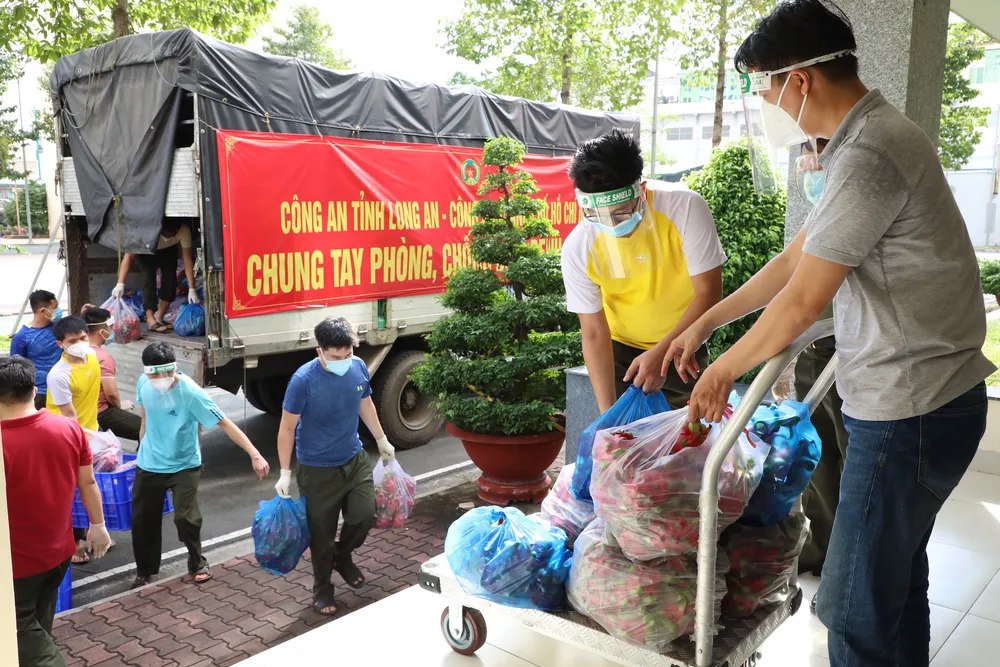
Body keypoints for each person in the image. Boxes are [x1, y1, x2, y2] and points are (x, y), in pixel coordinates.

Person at [665, 2, 995, 665]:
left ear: (800, 80)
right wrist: (707, 319)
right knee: (895, 583)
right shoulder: (861, 142)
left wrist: (722, 370)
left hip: (912, 410)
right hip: (926, 399)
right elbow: (794, 263)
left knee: (848, 607)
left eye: (762, 84)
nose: (766, 102)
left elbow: (801, 303)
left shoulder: (870, 151)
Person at [560, 129, 726, 413]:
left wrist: (662, 353)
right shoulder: (579, 245)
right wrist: (607, 416)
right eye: (597, 216)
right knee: (623, 439)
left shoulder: (685, 208)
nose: (612, 225)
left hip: (685, 342)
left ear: (642, 190)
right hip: (621, 352)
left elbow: (709, 293)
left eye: (621, 213)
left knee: (686, 435)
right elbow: (593, 333)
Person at [275, 316, 395, 616]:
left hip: (354, 460)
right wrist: (285, 473)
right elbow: (287, 428)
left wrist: (381, 439)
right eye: (334, 356)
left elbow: (364, 403)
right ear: (320, 351)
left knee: (364, 516)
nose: (342, 361)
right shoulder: (303, 381)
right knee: (322, 535)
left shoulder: (357, 368)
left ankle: (342, 556)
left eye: (347, 354)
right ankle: (322, 589)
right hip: (317, 470)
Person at [1, 356, 112, 667]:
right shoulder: (67, 428)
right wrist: (98, 525)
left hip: (15, 564)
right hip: (58, 555)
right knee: (37, 625)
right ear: (34, 390)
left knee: (19, 631)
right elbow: (89, 482)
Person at [132, 341, 270, 589]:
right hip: (149, 463)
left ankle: (197, 562)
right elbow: (145, 418)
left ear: (174, 368)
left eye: (167, 372)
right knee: (143, 520)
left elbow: (225, 423)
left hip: (184, 464)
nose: (162, 379)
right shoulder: (144, 383)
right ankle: (145, 570)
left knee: (186, 518)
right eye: (155, 374)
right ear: (147, 373)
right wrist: (141, 447)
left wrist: (254, 453)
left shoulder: (191, 393)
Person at [45, 314, 105, 564]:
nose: (81, 343)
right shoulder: (58, 375)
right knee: (72, 490)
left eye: (83, 337)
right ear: (61, 344)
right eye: (73, 340)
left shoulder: (91, 357)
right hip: (64, 438)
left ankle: (94, 532)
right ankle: (75, 543)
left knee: (88, 487)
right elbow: (69, 417)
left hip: (89, 431)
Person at [113, 220, 200, 333]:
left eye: (173, 233)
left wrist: (192, 288)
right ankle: (150, 319)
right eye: (167, 234)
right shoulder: (144, 231)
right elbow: (128, 257)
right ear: (160, 230)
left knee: (170, 281)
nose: (170, 236)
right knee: (148, 278)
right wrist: (120, 283)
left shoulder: (183, 230)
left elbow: (187, 258)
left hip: (168, 250)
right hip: (145, 250)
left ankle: (159, 317)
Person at [80, 306, 143, 442]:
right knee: (146, 428)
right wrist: (119, 405)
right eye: (111, 326)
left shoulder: (76, 351)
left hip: (81, 408)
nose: (112, 330)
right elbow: (111, 394)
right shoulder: (103, 357)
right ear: (102, 331)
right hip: (100, 412)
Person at [10, 290, 64, 410]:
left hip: (63, 388)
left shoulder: (60, 328)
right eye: (55, 308)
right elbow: (17, 370)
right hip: (40, 392)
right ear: (43, 311)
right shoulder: (22, 337)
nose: (59, 311)